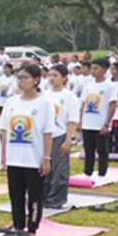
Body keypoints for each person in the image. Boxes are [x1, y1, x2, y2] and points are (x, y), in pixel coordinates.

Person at [0, 64, 54, 235]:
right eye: (19, 78)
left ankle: (32, 227)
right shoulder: (12, 102)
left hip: (34, 158)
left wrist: (46, 157)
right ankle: (17, 225)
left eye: (25, 78)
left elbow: (47, 132)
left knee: (35, 196)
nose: (21, 82)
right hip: (15, 157)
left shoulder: (44, 103)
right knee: (16, 195)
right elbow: (5, 131)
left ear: (36, 80)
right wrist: (3, 155)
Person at [43, 65, 79, 209]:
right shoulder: (44, 95)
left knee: (59, 170)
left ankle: (56, 199)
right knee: (45, 169)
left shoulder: (69, 96)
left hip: (60, 135)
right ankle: (43, 197)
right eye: (50, 75)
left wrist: (68, 140)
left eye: (55, 75)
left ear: (64, 78)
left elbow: (71, 120)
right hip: (45, 137)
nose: (51, 78)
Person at [79, 58, 118, 181]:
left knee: (102, 150)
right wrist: (80, 121)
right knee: (88, 149)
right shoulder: (88, 85)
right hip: (87, 123)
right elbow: (83, 104)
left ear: (105, 70)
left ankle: (102, 174)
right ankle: (87, 172)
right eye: (92, 68)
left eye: (96, 68)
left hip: (100, 123)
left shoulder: (110, 86)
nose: (93, 71)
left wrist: (107, 123)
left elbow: (112, 105)